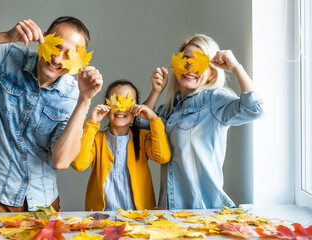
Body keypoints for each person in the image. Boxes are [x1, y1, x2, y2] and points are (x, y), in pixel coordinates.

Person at [0, 17, 103, 212]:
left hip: (42, 201)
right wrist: (5, 36)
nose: (57, 59)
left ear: (79, 61)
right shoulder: (5, 57)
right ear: (43, 38)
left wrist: (84, 100)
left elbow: (62, 161)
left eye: (69, 54)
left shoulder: (74, 95)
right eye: (55, 46)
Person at [141, 34, 265, 209]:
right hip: (170, 212)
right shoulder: (170, 109)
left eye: (200, 62)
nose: (190, 66)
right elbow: (139, 125)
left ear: (211, 74)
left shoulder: (214, 100)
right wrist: (155, 91)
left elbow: (255, 109)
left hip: (204, 211)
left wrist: (235, 67)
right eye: (186, 59)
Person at [71, 80, 171, 211]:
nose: (121, 107)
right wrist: (91, 123)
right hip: (103, 217)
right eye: (116, 100)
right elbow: (79, 164)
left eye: (127, 101)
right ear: (107, 104)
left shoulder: (142, 137)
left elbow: (163, 157)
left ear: (136, 108)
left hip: (138, 217)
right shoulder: (96, 139)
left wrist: (153, 119)